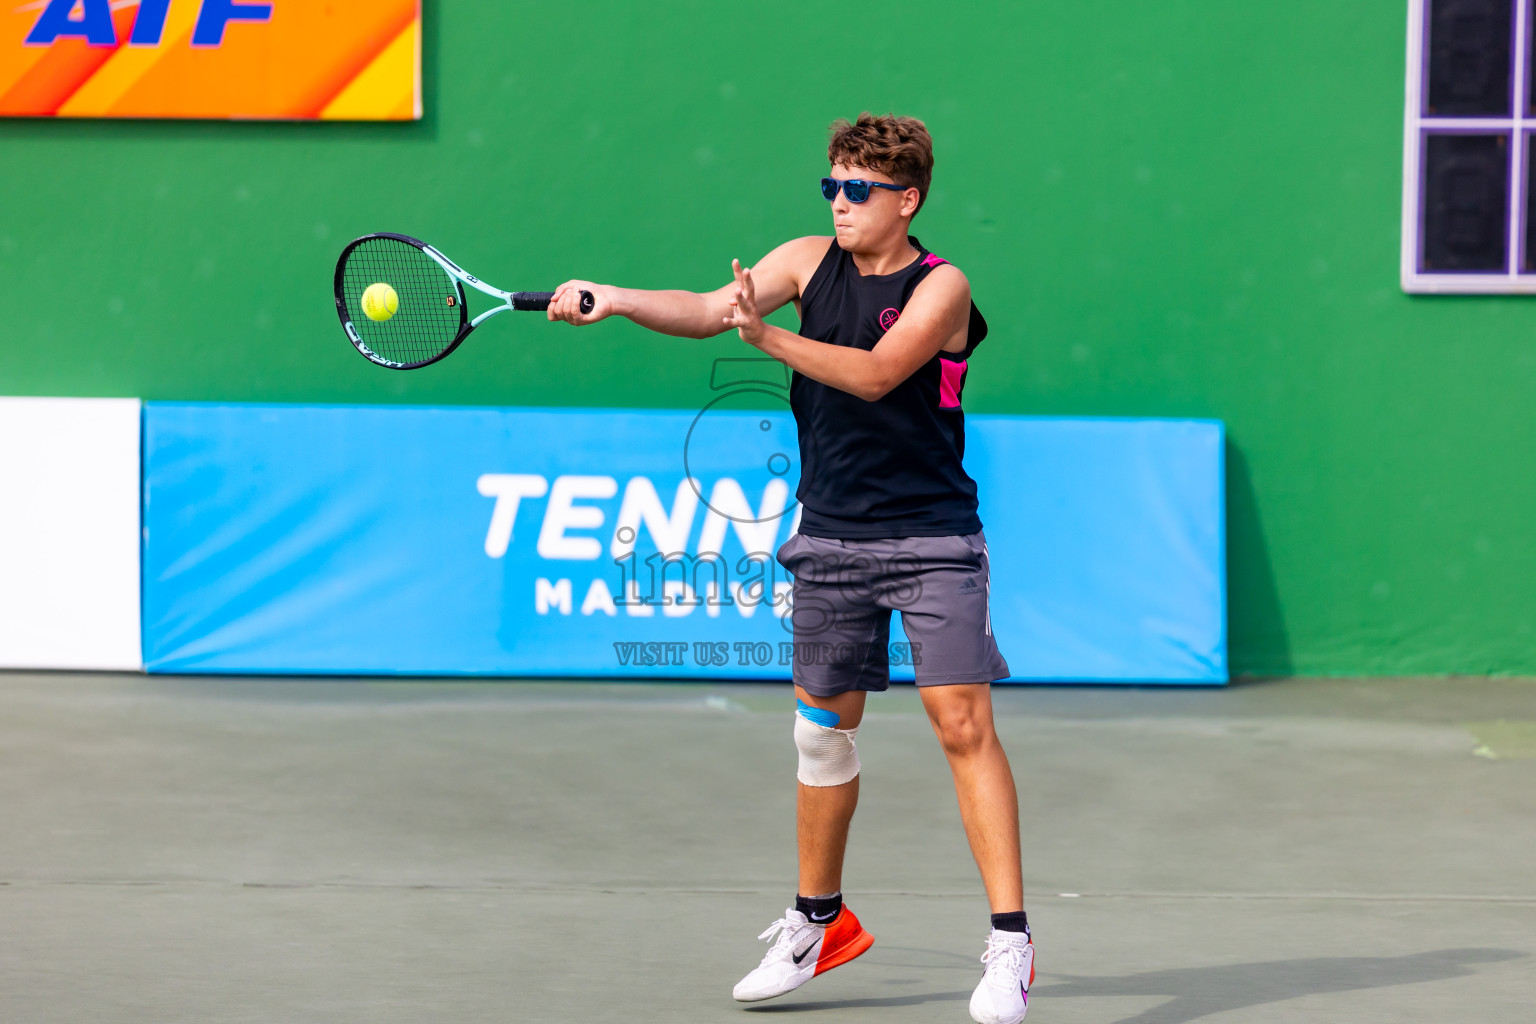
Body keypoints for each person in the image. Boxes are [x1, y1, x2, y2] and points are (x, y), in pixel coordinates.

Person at [546, 112, 1032, 1024]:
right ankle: (820, 923)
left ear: (907, 200)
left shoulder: (945, 286)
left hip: (931, 535)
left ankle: (1011, 943)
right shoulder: (808, 261)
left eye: (859, 190)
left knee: (962, 724)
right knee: (820, 734)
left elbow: (880, 372)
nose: (841, 203)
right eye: (833, 186)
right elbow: (704, 311)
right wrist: (613, 295)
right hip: (832, 536)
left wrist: (767, 341)